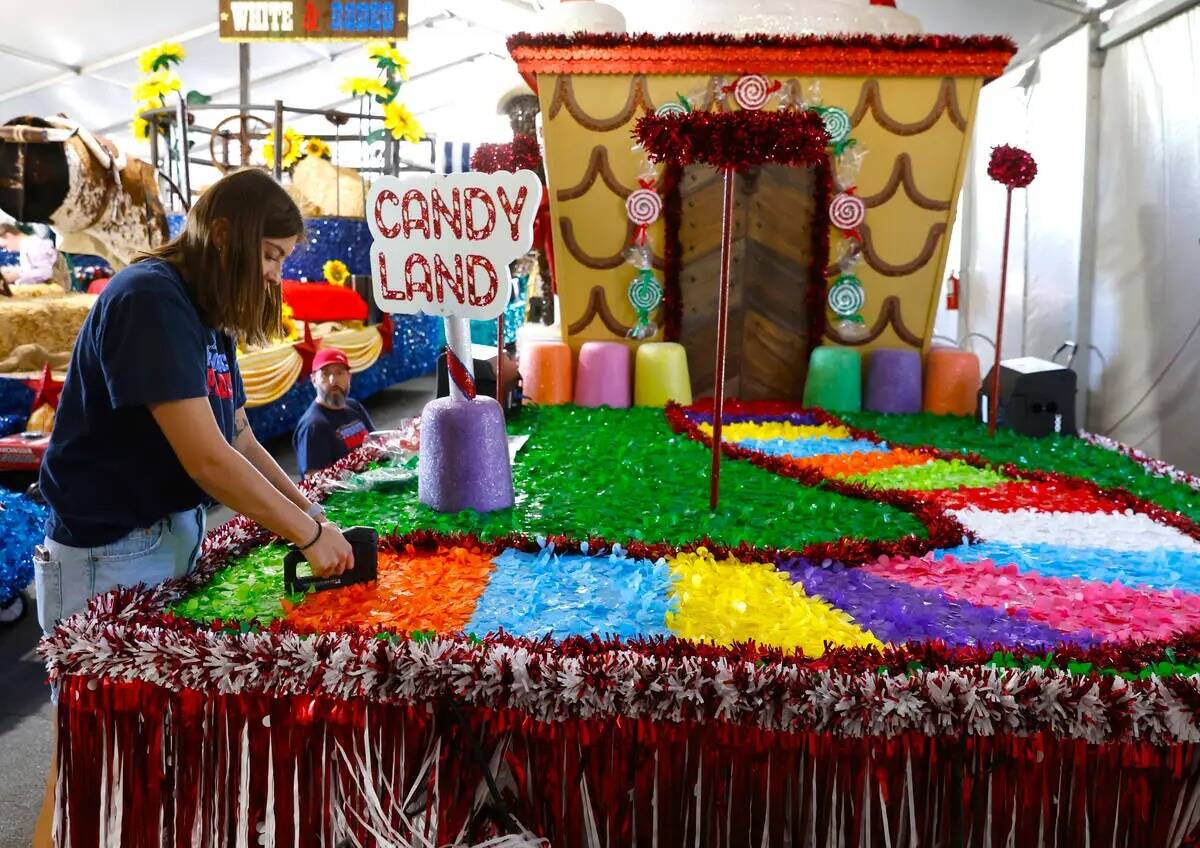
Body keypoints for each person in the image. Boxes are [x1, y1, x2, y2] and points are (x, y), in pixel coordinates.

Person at [31, 168, 355, 845]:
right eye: (269, 256)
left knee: (141, 768)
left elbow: (238, 436)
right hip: (107, 559)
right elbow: (206, 458)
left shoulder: (206, 314)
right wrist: (304, 532)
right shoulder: (150, 298)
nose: (273, 275)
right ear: (226, 234)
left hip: (163, 542)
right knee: (96, 770)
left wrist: (315, 519)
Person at [293, 347, 377, 477]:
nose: (333, 380)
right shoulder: (314, 426)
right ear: (314, 379)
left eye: (339, 373)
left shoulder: (354, 407)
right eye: (325, 374)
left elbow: (377, 444)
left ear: (349, 377)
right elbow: (315, 482)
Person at [0, 222, 68, 290]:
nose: (8, 250)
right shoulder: (27, 246)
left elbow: (46, 273)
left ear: (9, 236)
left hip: (55, 292)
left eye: (5, 246)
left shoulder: (35, 245)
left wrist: (17, 276)